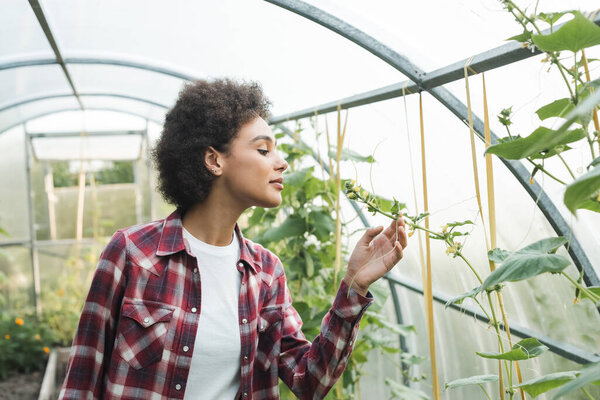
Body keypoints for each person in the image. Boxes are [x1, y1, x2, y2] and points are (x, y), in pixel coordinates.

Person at [59, 78, 408, 400]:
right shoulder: (133, 253)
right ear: (214, 160)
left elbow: (309, 380)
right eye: (263, 150)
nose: (282, 162)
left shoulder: (266, 272)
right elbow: (81, 381)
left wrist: (353, 285)